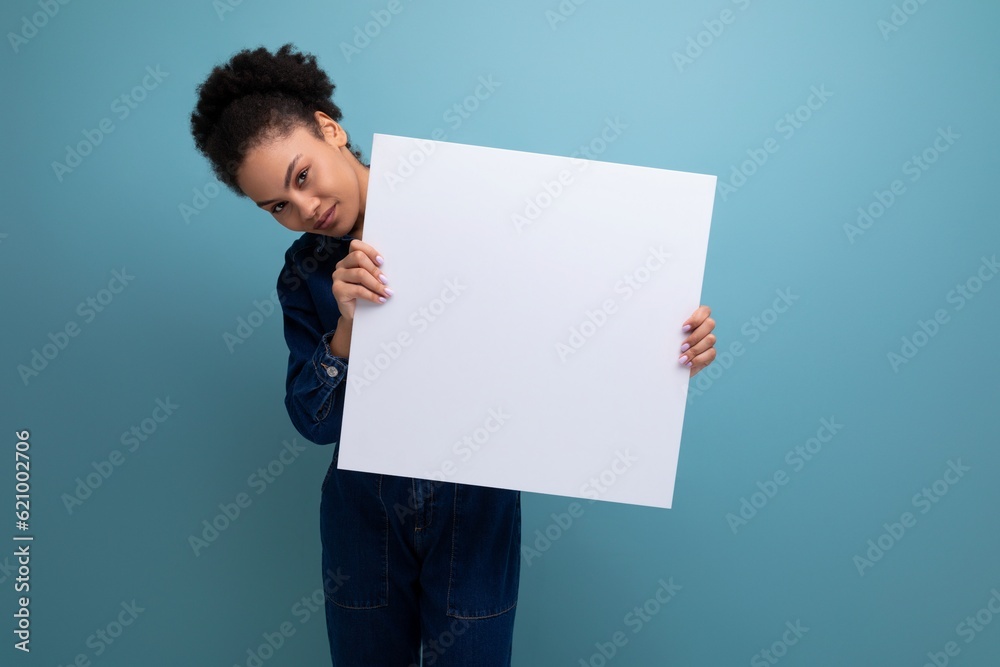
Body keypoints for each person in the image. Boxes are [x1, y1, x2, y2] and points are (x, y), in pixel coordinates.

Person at [189, 43, 717, 666]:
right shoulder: (303, 273)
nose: (304, 209)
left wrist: (668, 343)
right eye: (277, 206)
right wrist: (347, 335)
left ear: (330, 129)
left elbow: (573, 316)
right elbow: (313, 423)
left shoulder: (474, 202)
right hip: (364, 515)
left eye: (301, 177)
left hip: (475, 508)